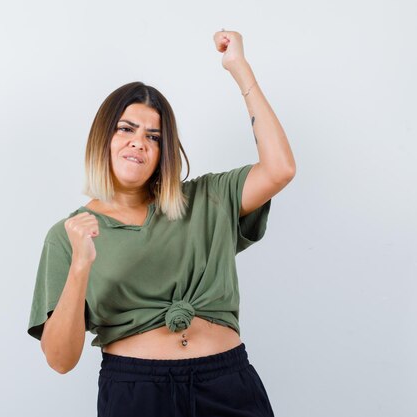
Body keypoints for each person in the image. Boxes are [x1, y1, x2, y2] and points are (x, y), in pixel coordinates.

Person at [27, 29, 295, 417]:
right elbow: (60, 359)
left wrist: (239, 69)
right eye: (126, 129)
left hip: (227, 383)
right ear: (103, 137)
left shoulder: (206, 199)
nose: (139, 142)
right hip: (136, 392)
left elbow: (280, 169)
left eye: (154, 136)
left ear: (162, 153)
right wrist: (81, 265)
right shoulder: (68, 235)